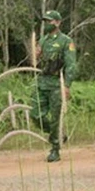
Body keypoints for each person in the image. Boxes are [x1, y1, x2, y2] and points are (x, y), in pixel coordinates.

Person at [33, 10, 77, 163]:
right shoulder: (43, 40)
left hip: (57, 84)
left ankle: (55, 148)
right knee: (35, 114)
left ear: (57, 22)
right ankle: (57, 134)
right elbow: (36, 62)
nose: (46, 24)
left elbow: (71, 65)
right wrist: (36, 55)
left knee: (55, 118)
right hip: (42, 82)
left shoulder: (66, 41)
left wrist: (67, 85)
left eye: (50, 21)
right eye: (45, 21)